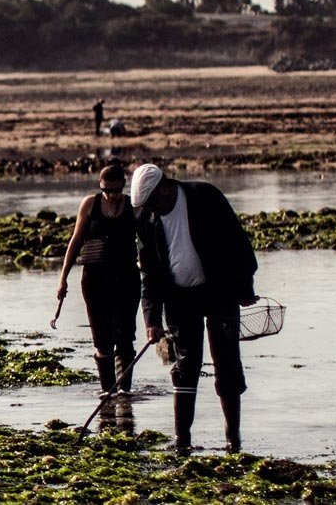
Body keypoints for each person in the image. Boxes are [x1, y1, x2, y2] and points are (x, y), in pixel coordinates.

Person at [130, 163, 260, 454]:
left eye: (154, 202)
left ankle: (233, 439)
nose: (152, 209)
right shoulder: (146, 218)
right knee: (184, 367)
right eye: (147, 206)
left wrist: (244, 287)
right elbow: (149, 273)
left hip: (220, 290)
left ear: (164, 186)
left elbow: (237, 242)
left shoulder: (204, 196)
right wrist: (151, 319)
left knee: (226, 363)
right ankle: (182, 441)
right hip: (179, 299)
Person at [53, 163, 139, 396]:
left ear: (123, 185)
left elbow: (149, 243)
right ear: (100, 186)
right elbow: (75, 242)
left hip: (127, 279)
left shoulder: (133, 206)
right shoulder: (90, 205)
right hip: (94, 280)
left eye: (115, 190)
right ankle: (107, 391)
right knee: (102, 338)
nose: (111, 195)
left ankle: (124, 392)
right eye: (106, 190)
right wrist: (63, 279)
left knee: (124, 336)